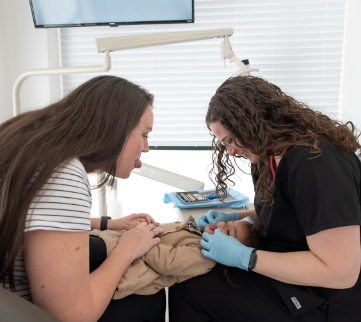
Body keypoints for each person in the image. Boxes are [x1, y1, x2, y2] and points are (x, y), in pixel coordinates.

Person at [169, 75, 361, 322]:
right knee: (190, 273)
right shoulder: (267, 155)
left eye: (230, 140)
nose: (230, 151)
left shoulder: (315, 164)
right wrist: (237, 216)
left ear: (255, 117)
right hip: (292, 279)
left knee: (190, 291)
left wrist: (246, 258)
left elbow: (342, 272)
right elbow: (288, 214)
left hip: (325, 300)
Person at [0, 75, 166, 322]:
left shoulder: (27, 143)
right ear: (116, 128)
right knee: (147, 295)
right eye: (144, 134)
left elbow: (29, 215)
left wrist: (107, 224)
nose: (146, 147)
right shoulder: (63, 174)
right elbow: (73, 316)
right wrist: (127, 249)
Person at [89, 215, 260, 299]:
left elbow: (166, 261)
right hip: (116, 242)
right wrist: (146, 225)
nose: (223, 224)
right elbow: (164, 233)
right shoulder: (196, 233)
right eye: (228, 223)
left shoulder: (204, 257)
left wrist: (138, 236)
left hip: (123, 263)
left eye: (228, 231)